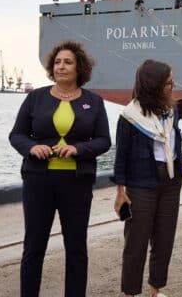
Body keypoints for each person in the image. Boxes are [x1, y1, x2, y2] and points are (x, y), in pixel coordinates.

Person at [9, 40, 111, 297]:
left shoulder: (94, 102)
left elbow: (103, 140)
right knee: (34, 246)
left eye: (67, 62)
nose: (61, 67)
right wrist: (32, 147)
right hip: (38, 181)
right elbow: (17, 135)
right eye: (57, 62)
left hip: (77, 182)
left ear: (79, 68)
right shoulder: (35, 98)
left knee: (76, 247)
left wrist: (79, 150)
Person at [112, 60, 182, 297]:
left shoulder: (172, 109)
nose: (172, 86)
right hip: (141, 184)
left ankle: (155, 289)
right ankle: (130, 293)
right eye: (168, 82)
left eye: (172, 81)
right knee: (136, 242)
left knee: (164, 239)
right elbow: (121, 157)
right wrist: (120, 192)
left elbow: (174, 142)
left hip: (171, 183)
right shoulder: (130, 116)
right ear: (153, 85)